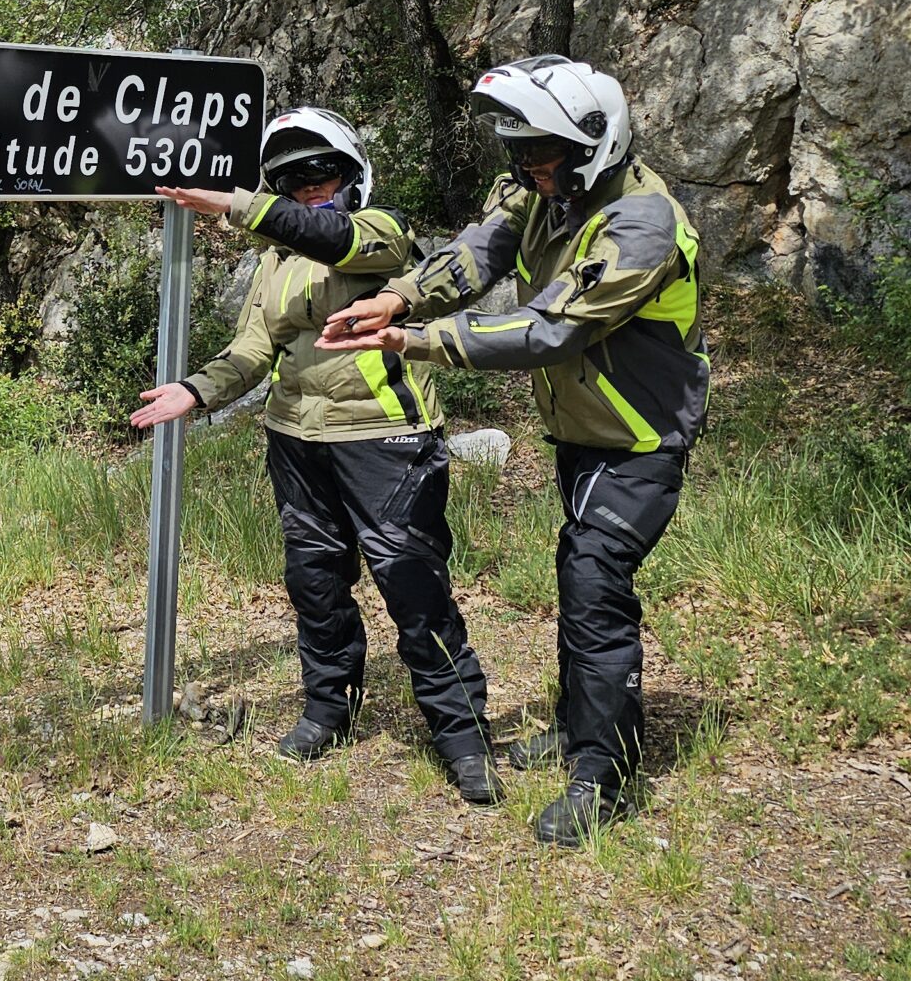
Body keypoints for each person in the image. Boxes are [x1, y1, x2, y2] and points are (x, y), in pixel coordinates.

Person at [319, 55, 707, 847]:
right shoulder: (543, 194)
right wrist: (399, 294)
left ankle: (605, 774)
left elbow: (550, 327)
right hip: (584, 431)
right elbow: (477, 253)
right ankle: (575, 721)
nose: (529, 165)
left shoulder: (642, 223)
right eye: (520, 151)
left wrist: (417, 339)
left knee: (595, 581)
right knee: (578, 569)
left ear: (591, 143)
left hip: (640, 440)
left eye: (543, 150)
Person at [131, 107, 503, 806]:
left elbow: (328, 234)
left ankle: (462, 734)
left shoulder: (382, 235)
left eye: (321, 173)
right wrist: (194, 390)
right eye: (291, 179)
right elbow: (251, 349)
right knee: (314, 582)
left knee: (413, 588)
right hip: (296, 440)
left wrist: (238, 202)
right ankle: (330, 707)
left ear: (351, 175)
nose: (308, 189)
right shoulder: (275, 264)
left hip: (385, 440)